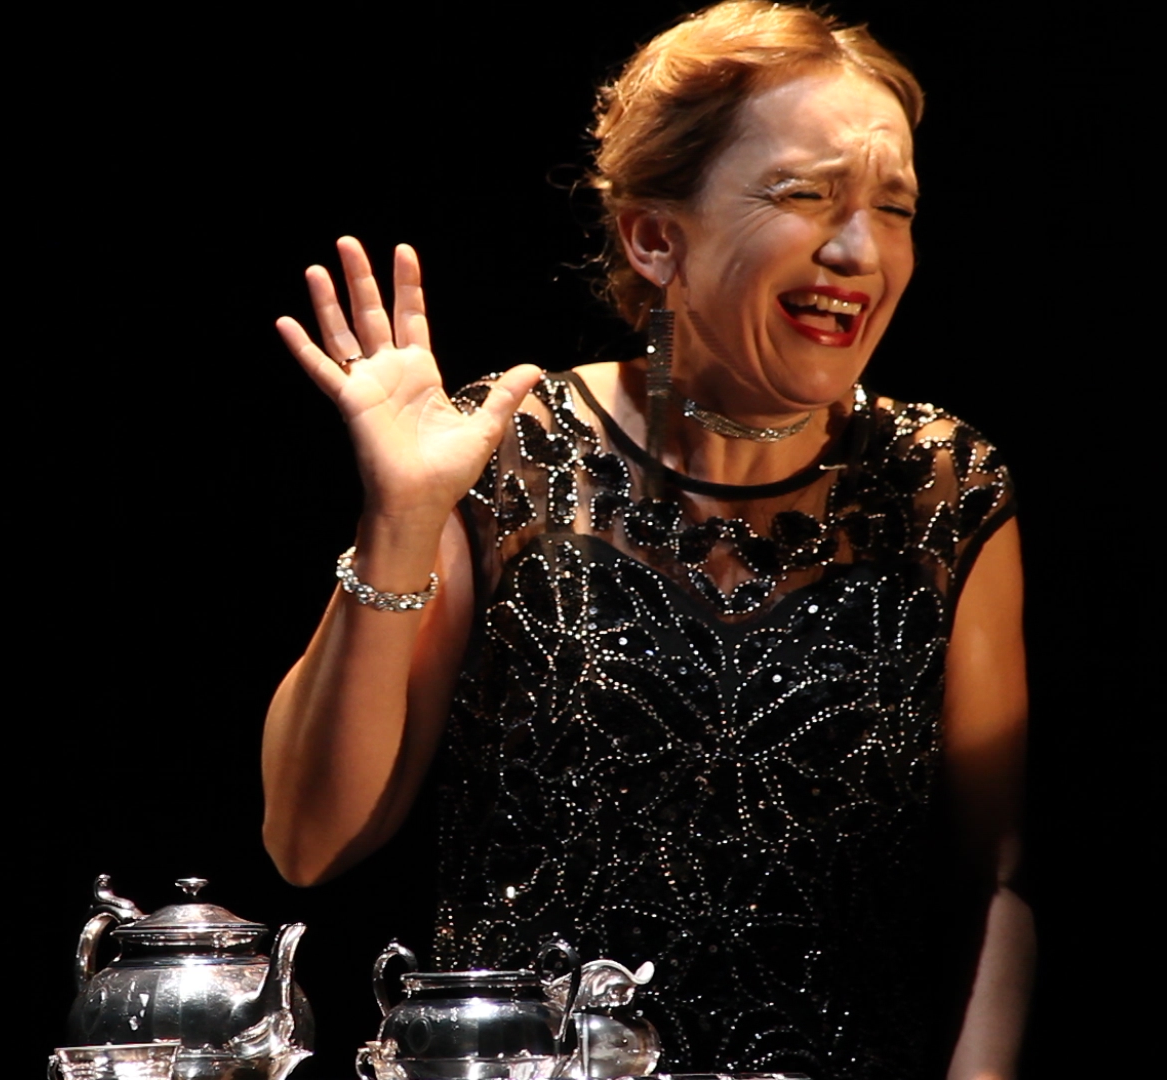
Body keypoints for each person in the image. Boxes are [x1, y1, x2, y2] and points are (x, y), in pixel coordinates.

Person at [262, 4, 1031, 1077]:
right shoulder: (510, 456)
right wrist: (398, 521)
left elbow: (999, 881)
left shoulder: (938, 484)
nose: (859, 250)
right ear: (655, 238)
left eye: (892, 208)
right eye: (805, 195)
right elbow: (307, 842)